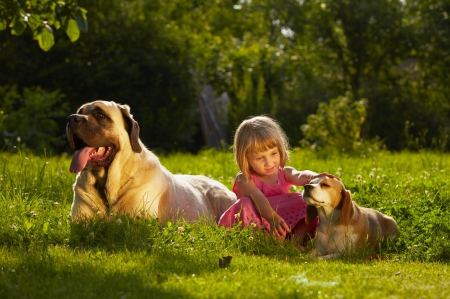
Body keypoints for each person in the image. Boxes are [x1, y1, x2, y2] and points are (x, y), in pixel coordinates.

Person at [218, 115, 337, 247]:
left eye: (273, 154)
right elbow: (257, 197)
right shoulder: (244, 178)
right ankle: (262, 243)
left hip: (283, 222)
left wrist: (316, 178)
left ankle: (294, 243)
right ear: (245, 158)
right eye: (259, 158)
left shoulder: (283, 172)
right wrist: (272, 218)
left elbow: (300, 175)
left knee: (308, 202)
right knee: (245, 203)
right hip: (257, 222)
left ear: (280, 150)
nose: (269, 163)